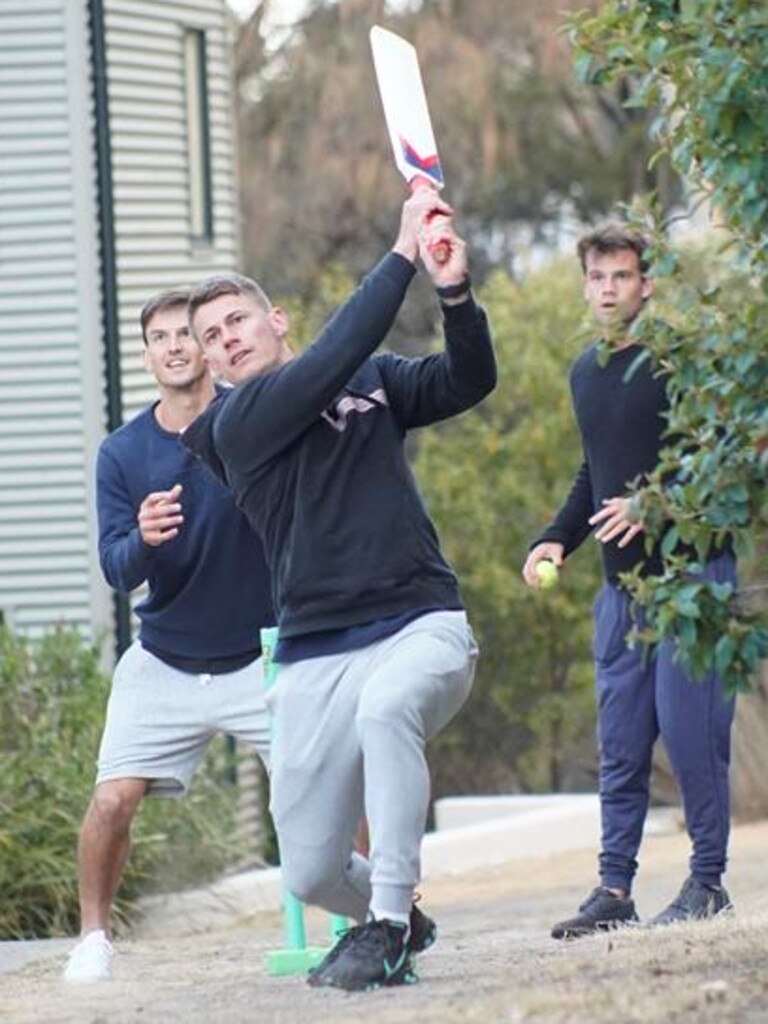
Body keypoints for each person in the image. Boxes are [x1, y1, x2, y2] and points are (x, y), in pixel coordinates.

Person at [181, 190, 496, 991]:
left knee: (388, 707)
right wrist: (400, 256)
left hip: (419, 624)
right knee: (311, 870)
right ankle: (400, 920)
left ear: (276, 320)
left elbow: (468, 379)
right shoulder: (230, 430)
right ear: (213, 364)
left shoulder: (374, 382)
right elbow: (326, 364)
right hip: (316, 652)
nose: (226, 341)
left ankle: (389, 922)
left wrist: (453, 292)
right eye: (212, 339)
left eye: (237, 323)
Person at [522, 222, 736, 938]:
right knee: (619, 744)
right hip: (623, 595)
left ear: (647, 283)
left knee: (689, 732)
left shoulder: (679, 360)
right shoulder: (587, 371)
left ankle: (707, 882)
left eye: (621, 276)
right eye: (598, 277)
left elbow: (724, 465)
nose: (609, 289)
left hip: (693, 578)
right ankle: (614, 889)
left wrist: (658, 505)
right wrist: (556, 538)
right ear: (586, 285)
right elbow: (595, 475)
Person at [64, 289, 274, 983]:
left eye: (188, 333)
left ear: (209, 346)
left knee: (335, 776)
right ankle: (93, 938)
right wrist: (146, 542)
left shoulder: (253, 419)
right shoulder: (122, 455)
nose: (177, 345)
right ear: (148, 353)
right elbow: (116, 569)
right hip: (166, 658)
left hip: (262, 655)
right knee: (111, 800)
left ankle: (373, 920)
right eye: (161, 337)